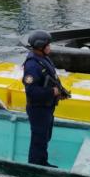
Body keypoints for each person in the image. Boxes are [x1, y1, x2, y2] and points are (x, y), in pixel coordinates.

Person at [23, 30, 68, 168]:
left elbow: (52, 77)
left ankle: (42, 161)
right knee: (39, 138)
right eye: (47, 45)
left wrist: (60, 91)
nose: (50, 47)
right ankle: (35, 166)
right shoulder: (31, 65)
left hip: (47, 107)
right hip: (38, 109)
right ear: (40, 46)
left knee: (45, 136)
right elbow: (31, 91)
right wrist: (51, 92)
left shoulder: (44, 58)